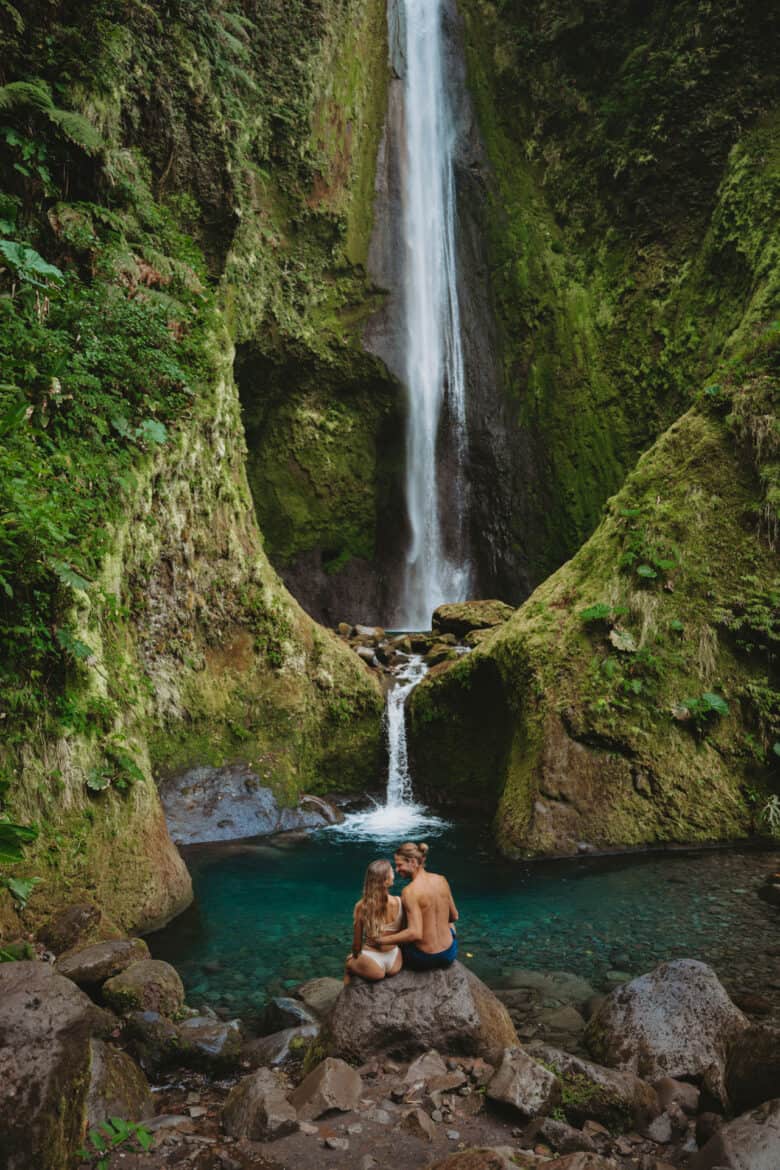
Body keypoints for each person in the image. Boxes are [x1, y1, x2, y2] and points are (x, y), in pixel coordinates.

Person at [380, 841, 459, 970]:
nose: (397, 869)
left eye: (399, 865)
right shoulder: (441, 879)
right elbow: (454, 916)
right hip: (449, 954)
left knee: (399, 930)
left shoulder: (409, 891)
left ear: (412, 862)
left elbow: (414, 934)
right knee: (449, 924)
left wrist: (382, 941)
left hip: (424, 958)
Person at [344, 858, 404, 983]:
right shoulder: (399, 902)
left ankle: (347, 988)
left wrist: (354, 957)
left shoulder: (361, 906)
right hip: (394, 961)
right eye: (392, 872)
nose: (394, 875)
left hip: (373, 964)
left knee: (348, 962)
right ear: (387, 881)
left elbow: (356, 944)